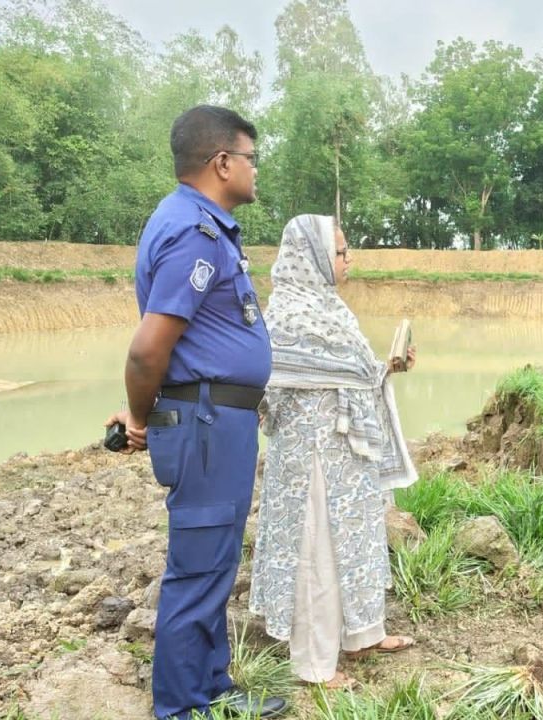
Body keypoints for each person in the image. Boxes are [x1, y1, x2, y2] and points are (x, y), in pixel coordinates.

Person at [104, 105, 286, 719]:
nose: (256, 170)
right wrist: (137, 416)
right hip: (207, 422)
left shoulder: (202, 224)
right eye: (251, 158)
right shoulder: (193, 233)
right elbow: (148, 348)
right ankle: (181, 708)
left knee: (216, 563)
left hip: (220, 421)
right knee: (199, 567)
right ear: (222, 162)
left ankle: (215, 689)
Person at [249, 215, 419, 689]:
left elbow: (350, 374)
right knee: (316, 552)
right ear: (315, 259)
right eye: (341, 252)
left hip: (348, 459)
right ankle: (315, 664)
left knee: (357, 543)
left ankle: (363, 634)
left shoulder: (331, 308)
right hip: (311, 462)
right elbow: (274, 383)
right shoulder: (287, 314)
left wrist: (387, 368)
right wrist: (364, 374)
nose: (349, 260)